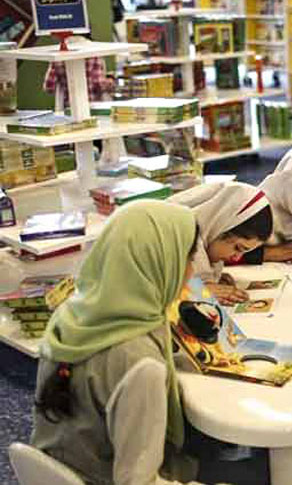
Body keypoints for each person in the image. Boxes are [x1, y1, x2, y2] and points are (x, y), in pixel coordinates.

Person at [31, 201, 211, 484]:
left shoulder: (72, 314)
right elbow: (136, 480)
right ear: (161, 261)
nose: (190, 272)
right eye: (187, 259)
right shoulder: (140, 363)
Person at [170, 182, 272, 305]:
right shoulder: (172, 238)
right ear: (217, 226)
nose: (236, 258)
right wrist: (192, 292)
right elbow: (149, 292)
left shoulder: (200, 239)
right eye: (237, 248)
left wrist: (208, 282)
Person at [42, 37, 114, 112]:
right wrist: (110, 81)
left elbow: (49, 87)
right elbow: (99, 84)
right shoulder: (94, 54)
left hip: (70, 108)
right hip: (93, 107)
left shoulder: (59, 56)